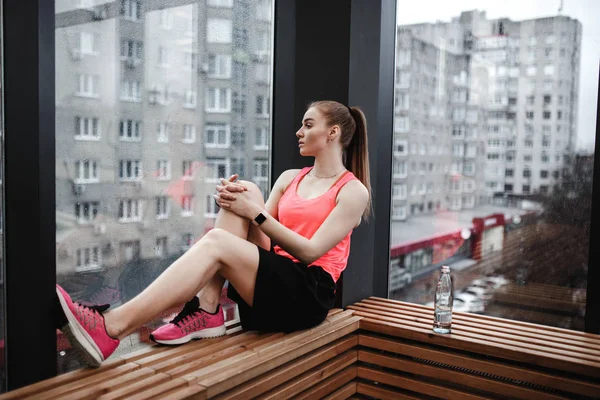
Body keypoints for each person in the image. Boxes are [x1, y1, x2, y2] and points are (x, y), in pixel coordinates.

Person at [56, 100, 372, 367]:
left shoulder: (353, 191)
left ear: (333, 132)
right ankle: (207, 307)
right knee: (244, 189)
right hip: (274, 282)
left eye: (308, 125)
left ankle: (112, 327)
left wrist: (254, 212)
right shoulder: (291, 178)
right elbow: (263, 231)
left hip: (307, 294)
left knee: (222, 236)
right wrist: (237, 201)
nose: (298, 132)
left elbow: (310, 251)